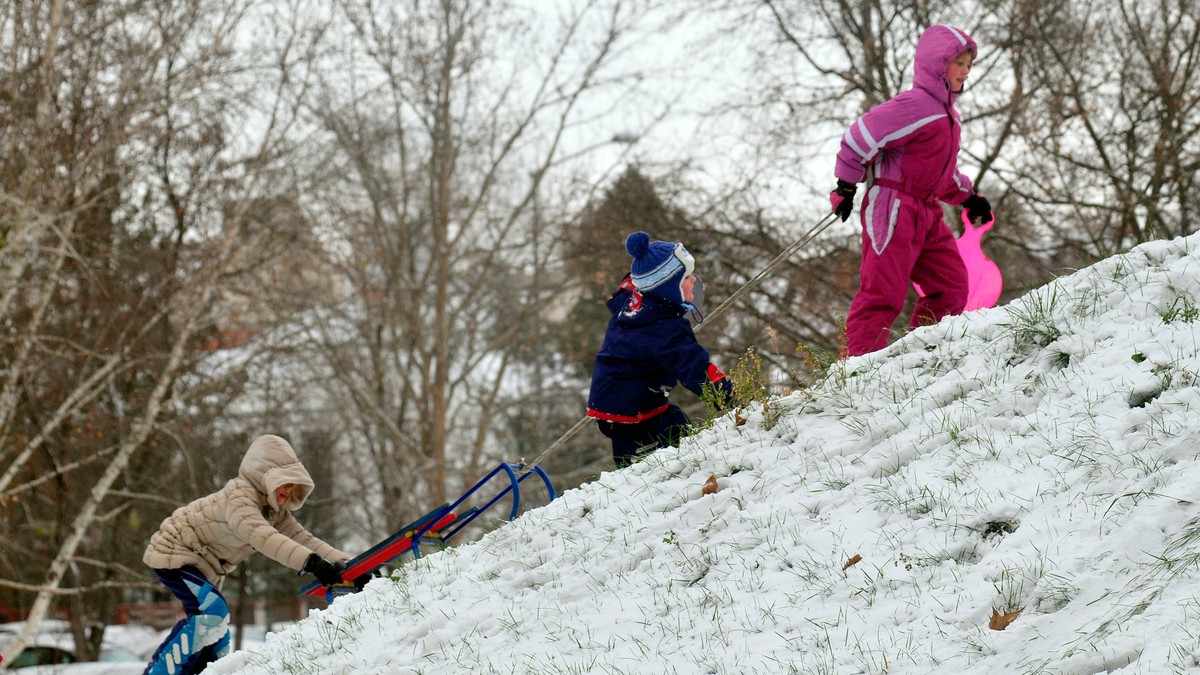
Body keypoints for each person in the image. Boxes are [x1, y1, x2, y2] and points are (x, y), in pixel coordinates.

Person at [829, 23, 994, 357]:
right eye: (957, 63)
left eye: (968, 65)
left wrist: (970, 197)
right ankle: (857, 371)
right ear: (937, 64)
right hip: (892, 208)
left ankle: (924, 353)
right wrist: (846, 185)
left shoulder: (949, 117)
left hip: (927, 211)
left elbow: (942, 174)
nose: (964, 72)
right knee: (883, 292)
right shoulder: (914, 105)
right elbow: (860, 137)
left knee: (951, 284)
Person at [141, 435, 348, 675]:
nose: (287, 492)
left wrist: (344, 564)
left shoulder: (273, 511)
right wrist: (311, 562)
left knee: (217, 633)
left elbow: (302, 538)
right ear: (265, 478)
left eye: (292, 487)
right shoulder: (239, 498)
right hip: (175, 552)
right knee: (212, 612)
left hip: (203, 564)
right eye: (283, 484)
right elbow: (263, 537)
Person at [587, 231, 734, 468]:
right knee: (645, 464)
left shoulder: (635, 302)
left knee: (677, 424)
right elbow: (693, 367)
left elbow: (626, 289)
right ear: (668, 288)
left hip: (622, 400)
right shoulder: (663, 329)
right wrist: (729, 396)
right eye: (687, 278)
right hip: (631, 412)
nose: (694, 280)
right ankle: (640, 484)